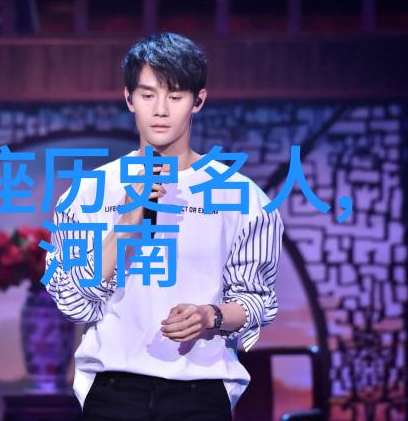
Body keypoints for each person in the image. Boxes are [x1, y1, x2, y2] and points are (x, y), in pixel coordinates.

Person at [43, 32, 284, 421]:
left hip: (200, 391)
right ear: (129, 99)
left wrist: (210, 316)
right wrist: (127, 221)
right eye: (148, 94)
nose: (160, 110)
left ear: (198, 101)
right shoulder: (89, 192)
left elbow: (257, 300)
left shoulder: (242, 196)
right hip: (113, 390)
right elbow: (72, 299)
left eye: (175, 97)